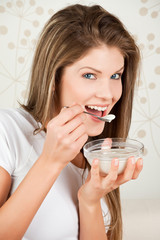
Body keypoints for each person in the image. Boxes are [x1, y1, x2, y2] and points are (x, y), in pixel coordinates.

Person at [0, 4, 143, 240]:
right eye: (89, 75)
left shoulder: (97, 155)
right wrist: (50, 161)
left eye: (115, 76)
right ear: (54, 77)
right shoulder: (8, 131)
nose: (108, 94)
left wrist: (90, 199)